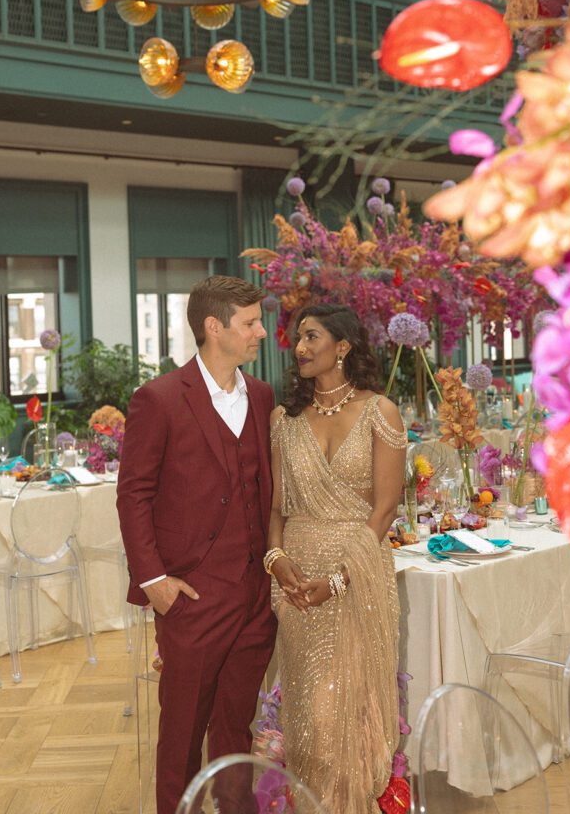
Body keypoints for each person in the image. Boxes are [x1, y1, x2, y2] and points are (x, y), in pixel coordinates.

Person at [117, 275, 277, 814]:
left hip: (256, 595)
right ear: (214, 327)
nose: (260, 332)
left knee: (237, 723)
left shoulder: (261, 395)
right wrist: (155, 581)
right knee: (183, 731)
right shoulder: (159, 399)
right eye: (250, 322)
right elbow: (133, 493)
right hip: (192, 595)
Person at [266, 302, 407, 813]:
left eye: (311, 336)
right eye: (298, 338)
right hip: (298, 587)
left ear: (342, 346)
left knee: (349, 713)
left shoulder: (380, 411)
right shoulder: (284, 419)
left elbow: (386, 508)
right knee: (308, 718)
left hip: (357, 578)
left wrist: (341, 579)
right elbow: (277, 506)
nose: (300, 348)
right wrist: (277, 560)